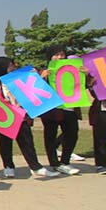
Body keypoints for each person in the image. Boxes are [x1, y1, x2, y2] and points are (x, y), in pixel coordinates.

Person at [0, 57, 60, 179]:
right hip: (4, 116)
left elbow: (32, 89)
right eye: (9, 66)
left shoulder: (19, 78)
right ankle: (8, 167)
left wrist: (39, 78)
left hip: (20, 115)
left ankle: (35, 167)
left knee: (27, 142)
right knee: (5, 142)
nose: (13, 68)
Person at [38, 45, 81, 175]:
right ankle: (54, 163)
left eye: (62, 54)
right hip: (51, 109)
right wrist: (42, 78)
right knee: (50, 135)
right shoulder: (43, 71)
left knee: (72, 134)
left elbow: (81, 88)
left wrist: (84, 75)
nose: (59, 57)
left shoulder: (72, 70)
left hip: (68, 107)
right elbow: (34, 91)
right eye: (56, 55)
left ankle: (65, 161)